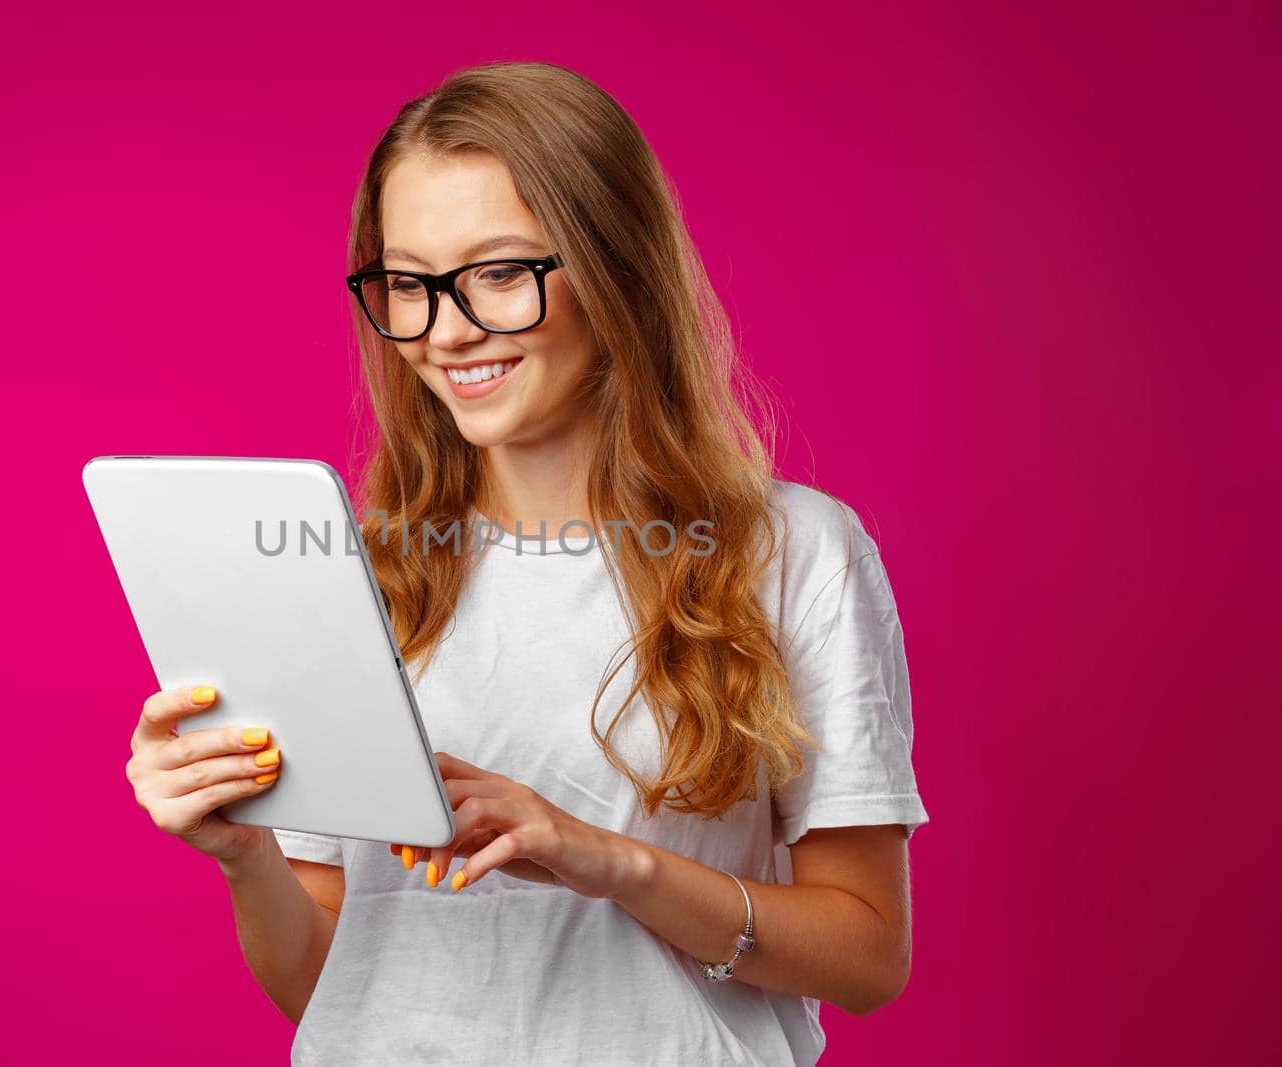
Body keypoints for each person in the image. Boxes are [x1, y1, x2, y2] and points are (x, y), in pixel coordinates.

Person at [123, 60, 929, 1065]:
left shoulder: (792, 552)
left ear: (615, 268)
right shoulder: (352, 569)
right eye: (408, 283)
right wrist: (247, 857)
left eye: (499, 273)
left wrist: (611, 862)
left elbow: (866, 954)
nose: (446, 330)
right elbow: (329, 983)